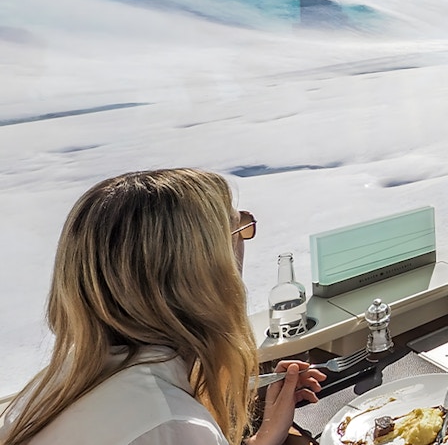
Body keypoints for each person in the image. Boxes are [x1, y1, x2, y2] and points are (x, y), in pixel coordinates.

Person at [0, 169, 325, 445]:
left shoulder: (60, 385)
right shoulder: (170, 426)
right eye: (237, 230)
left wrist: (266, 435)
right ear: (203, 273)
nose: (242, 245)